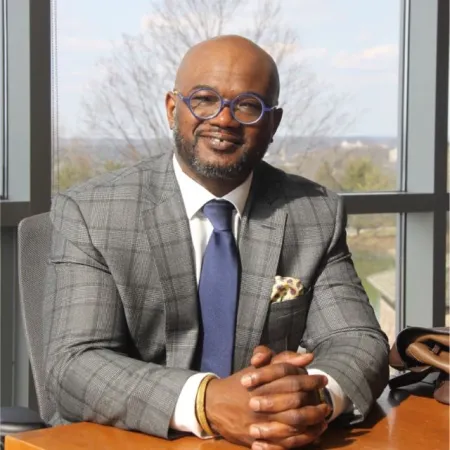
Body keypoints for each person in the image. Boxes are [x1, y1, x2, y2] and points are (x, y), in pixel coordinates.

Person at [44, 35, 389, 450]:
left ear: (273, 124)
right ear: (172, 109)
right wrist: (205, 402)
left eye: (247, 105)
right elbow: (73, 364)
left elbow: (358, 340)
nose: (224, 119)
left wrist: (306, 400)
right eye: (204, 99)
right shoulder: (92, 212)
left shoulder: (313, 213)